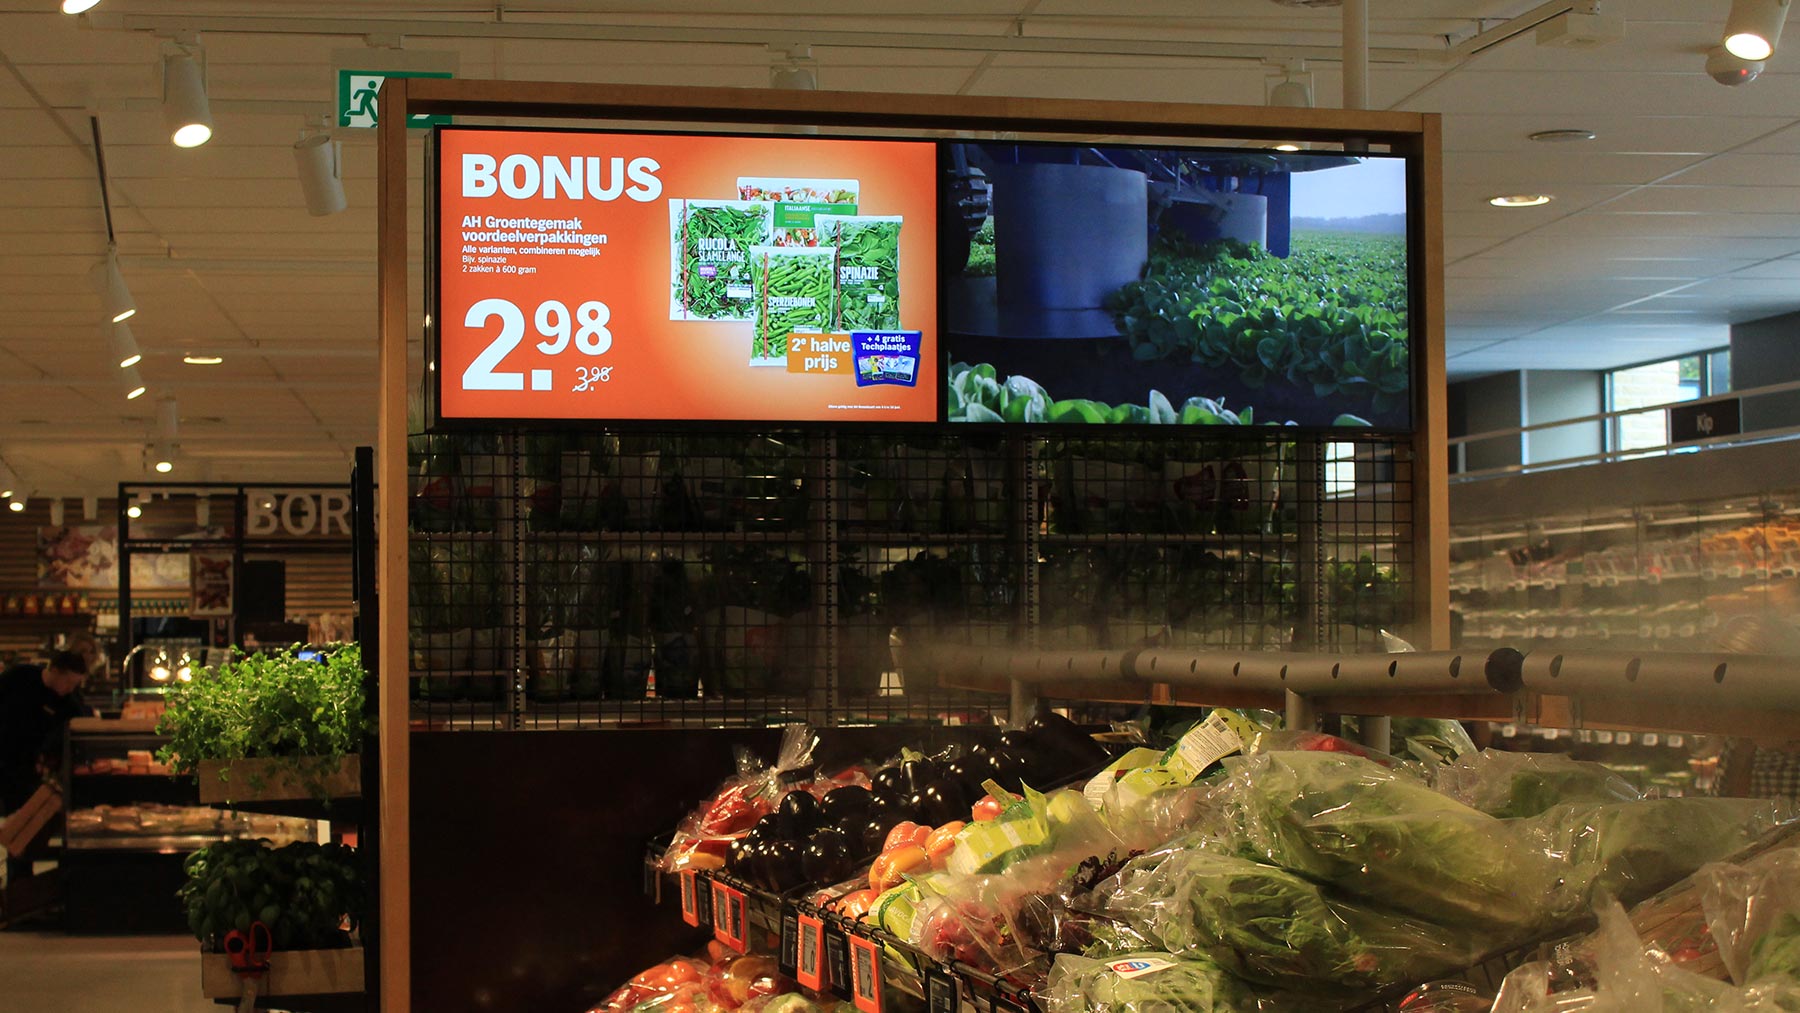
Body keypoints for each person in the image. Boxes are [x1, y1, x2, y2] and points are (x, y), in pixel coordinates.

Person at [0, 650, 88, 816]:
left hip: (28, 767)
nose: (70, 689)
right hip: (4, 752)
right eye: (68, 682)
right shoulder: (19, 676)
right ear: (54, 671)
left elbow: (80, 723)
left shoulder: (67, 703)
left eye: (74, 685)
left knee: (19, 815)